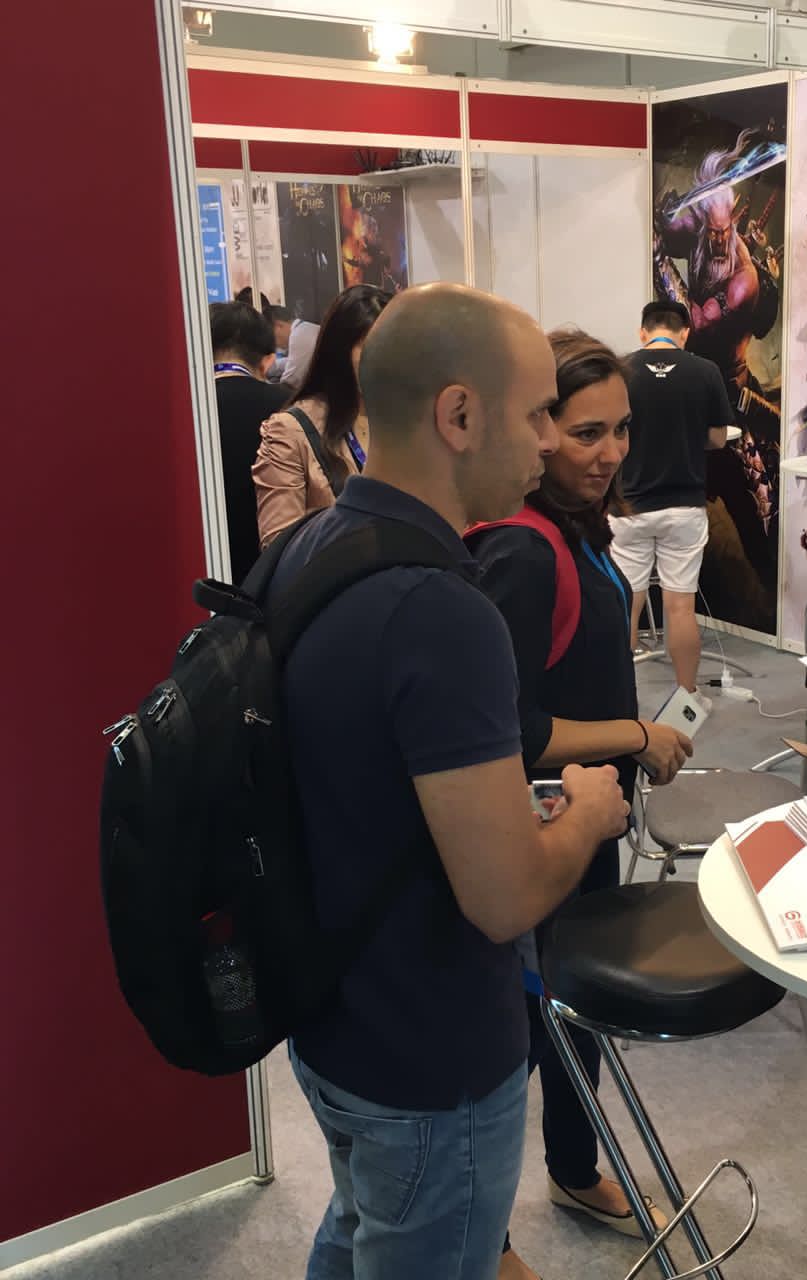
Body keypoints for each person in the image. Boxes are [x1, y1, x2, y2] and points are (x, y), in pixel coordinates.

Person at [275, 282, 631, 1279]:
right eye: (537, 413)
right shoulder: (443, 611)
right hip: (428, 1055)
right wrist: (587, 812)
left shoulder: (307, 549)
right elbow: (505, 895)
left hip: (334, 1018)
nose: (547, 442)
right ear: (459, 415)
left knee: (358, 1228)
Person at [469, 328, 693, 1280]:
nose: (609, 453)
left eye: (621, 430)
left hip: (589, 816)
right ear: (538, 429)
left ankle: (571, 1169)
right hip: (544, 827)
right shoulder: (523, 549)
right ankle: (479, 1237)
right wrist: (635, 738)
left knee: (571, 1009)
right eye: (585, 431)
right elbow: (510, 729)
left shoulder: (578, 528)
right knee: (519, 1034)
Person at [608, 300, 734, 696]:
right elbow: (717, 438)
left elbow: (609, 434)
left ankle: (618, 698)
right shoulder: (706, 371)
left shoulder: (620, 370)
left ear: (643, 332)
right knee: (680, 607)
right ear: (684, 333)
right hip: (684, 507)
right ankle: (686, 696)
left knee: (627, 603)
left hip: (628, 506)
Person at [253, 284, 390, 546]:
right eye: (370, 349)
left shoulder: (407, 421)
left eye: (394, 350)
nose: (384, 363)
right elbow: (278, 546)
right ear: (339, 350)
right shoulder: (291, 431)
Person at [209, 301, 290, 583]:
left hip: (203, 571)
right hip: (271, 572)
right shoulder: (289, 406)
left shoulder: (183, 411)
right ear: (267, 360)